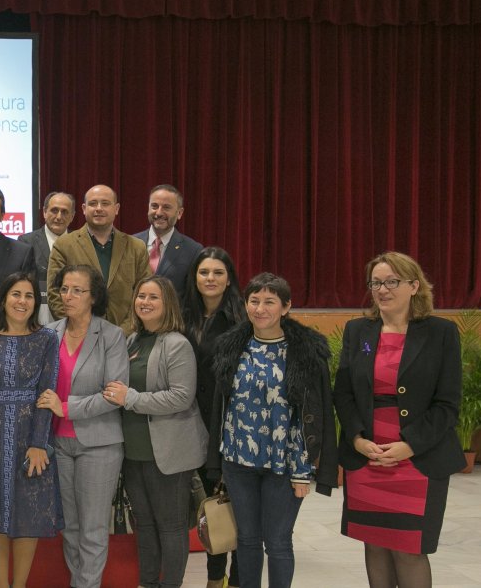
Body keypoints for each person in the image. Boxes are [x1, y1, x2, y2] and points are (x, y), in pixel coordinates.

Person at [334, 252, 465, 588]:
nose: (383, 289)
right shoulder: (358, 331)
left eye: (392, 281)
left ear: (413, 286)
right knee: (375, 545)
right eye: (376, 282)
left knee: (409, 551)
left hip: (417, 460)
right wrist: (357, 439)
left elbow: (447, 404)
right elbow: (344, 393)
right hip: (368, 457)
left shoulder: (441, 333)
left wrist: (410, 446)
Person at [207, 272, 337, 588]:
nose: (260, 309)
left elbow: (314, 415)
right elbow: (220, 409)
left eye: (269, 302)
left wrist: (303, 472)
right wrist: (217, 463)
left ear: (285, 306)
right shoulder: (231, 347)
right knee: (248, 540)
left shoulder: (306, 352)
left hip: (284, 465)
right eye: (254, 301)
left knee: (278, 542)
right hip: (238, 464)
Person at [104, 275, 207, 588]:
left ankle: (170, 584)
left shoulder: (177, 344)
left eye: (153, 297)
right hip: (134, 453)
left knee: (172, 527)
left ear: (168, 305)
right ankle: (148, 583)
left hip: (169, 453)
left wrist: (130, 398)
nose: (144, 302)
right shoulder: (132, 340)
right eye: (141, 296)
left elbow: (180, 397)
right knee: (145, 526)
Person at [0, 271, 63, 588]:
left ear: (36, 302)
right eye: (16, 294)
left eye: (29, 296)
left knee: (27, 517)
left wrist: (38, 444)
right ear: (4, 298)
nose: (22, 301)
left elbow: (47, 395)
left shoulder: (47, 339)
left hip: (29, 435)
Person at [37, 264, 128, 588]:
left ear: (94, 296)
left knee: (92, 529)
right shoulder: (49, 333)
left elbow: (114, 395)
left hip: (99, 445)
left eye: (78, 290)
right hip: (58, 445)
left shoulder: (112, 336)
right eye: (64, 289)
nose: (69, 296)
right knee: (71, 528)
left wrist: (65, 407)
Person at [182, 247, 246, 588]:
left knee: (234, 508)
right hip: (190, 424)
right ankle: (213, 578)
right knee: (211, 510)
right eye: (204, 272)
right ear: (195, 276)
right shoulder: (182, 314)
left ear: (229, 278)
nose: (210, 279)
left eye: (218, 273)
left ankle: (235, 580)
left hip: (230, 424)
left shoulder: (241, 318)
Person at [47, 184, 149, 334]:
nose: (99, 208)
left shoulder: (137, 247)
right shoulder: (64, 245)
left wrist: (122, 332)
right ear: (83, 208)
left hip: (127, 338)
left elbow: (144, 294)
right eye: (93, 203)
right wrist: (82, 330)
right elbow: (55, 294)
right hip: (79, 338)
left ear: (116, 209)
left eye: (105, 203)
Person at [132, 184, 203, 298]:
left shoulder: (193, 250)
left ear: (179, 213)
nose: (159, 213)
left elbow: (192, 297)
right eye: (154, 206)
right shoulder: (129, 243)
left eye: (166, 207)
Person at [17, 191, 75, 324]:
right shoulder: (26, 242)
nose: (59, 217)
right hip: (37, 318)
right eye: (54, 210)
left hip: (72, 318)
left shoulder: (81, 242)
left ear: (72, 216)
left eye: (65, 212)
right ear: (44, 212)